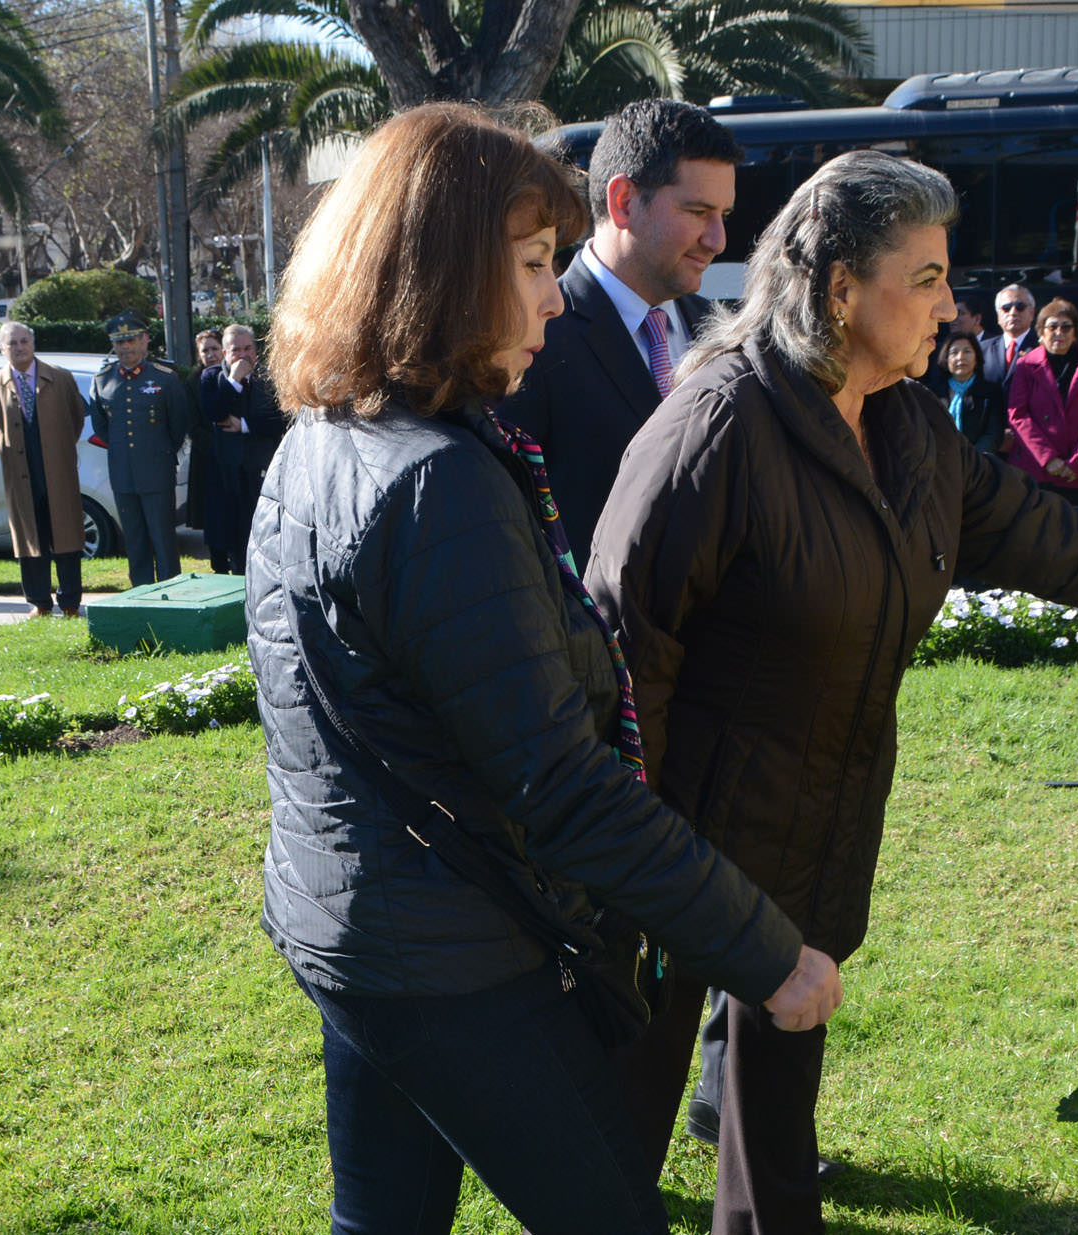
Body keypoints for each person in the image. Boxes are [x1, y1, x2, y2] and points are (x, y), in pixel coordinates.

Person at [586, 149, 1078, 1235]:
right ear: (839, 290)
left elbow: (1050, 536)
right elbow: (619, 652)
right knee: (616, 1141)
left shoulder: (910, 429)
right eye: (922, 277)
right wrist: (628, 863)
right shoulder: (717, 429)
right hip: (675, 849)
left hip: (811, 831)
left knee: (775, 1138)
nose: (950, 302)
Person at [247, 102, 841, 1235]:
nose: (552, 297)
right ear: (435, 269)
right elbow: (559, 786)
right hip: (448, 954)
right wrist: (766, 952)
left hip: (351, 921)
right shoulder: (434, 482)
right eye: (529, 263)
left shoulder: (323, 437)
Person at [499, 97, 737, 567]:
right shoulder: (532, 342)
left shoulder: (725, 332)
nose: (717, 239)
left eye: (723, 215)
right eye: (697, 212)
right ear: (624, 201)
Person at [0, 321, 87, 617]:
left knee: (65, 536)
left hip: (58, 472)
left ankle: (69, 602)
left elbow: (75, 420)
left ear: (33, 343)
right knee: (30, 538)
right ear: (2, 349)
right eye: (12, 343)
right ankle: (39, 602)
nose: (19, 347)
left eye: (24, 341)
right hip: (20, 474)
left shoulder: (61, 379)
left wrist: (57, 450)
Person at [90, 310, 191, 587]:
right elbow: (102, 427)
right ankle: (141, 592)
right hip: (123, 473)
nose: (125, 347)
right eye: (119, 342)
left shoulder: (165, 378)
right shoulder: (103, 380)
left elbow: (178, 425)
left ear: (145, 340)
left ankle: (171, 592)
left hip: (157, 471)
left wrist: (158, 454)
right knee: (134, 539)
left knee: (163, 539)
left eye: (132, 340)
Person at [1005, 297, 1078, 506]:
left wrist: (1077, 463)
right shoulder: (1025, 366)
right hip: (1035, 470)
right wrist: (1048, 458)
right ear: (1041, 332)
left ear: (1075, 332)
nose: (1059, 333)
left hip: (1076, 475)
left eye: (1066, 327)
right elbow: (1018, 415)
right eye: (1052, 326)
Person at [197, 324, 284, 573]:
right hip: (226, 474)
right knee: (228, 543)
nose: (244, 355)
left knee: (260, 538)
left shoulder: (268, 380)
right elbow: (214, 412)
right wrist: (233, 381)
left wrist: (244, 425)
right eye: (236, 350)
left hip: (259, 471)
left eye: (248, 348)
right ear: (225, 353)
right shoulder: (212, 378)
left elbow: (279, 420)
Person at [924, 333, 1007, 455]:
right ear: (946, 358)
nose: (960, 357)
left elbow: (993, 433)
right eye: (954, 352)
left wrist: (971, 460)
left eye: (967, 351)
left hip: (978, 463)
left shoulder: (990, 392)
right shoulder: (933, 393)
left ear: (976, 357)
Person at [183, 329, 224, 541]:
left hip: (236, 459)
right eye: (205, 350)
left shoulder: (238, 375)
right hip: (206, 459)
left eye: (215, 348)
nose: (211, 355)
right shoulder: (192, 382)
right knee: (212, 521)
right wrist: (217, 446)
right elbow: (192, 425)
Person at [979, 283, 1038, 388]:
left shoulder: (1042, 347)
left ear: (1032, 313)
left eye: (1020, 307)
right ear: (998, 316)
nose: (1013, 312)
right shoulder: (982, 349)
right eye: (1006, 308)